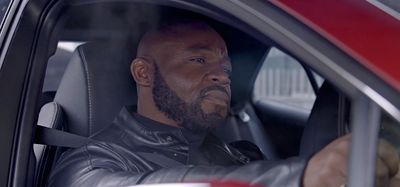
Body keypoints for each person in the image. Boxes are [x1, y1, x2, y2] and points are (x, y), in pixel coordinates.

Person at [48, 19, 400, 187]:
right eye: (199, 61)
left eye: (226, 66)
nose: (222, 75)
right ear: (143, 73)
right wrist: (301, 177)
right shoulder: (89, 165)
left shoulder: (240, 154)